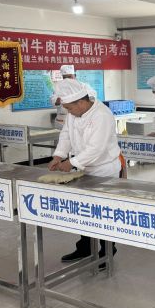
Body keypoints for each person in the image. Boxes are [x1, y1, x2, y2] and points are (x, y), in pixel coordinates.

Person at [48, 79, 121, 265]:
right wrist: (58, 155)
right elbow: (66, 135)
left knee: (103, 213)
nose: (69, 112)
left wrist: (71, 163)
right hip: (84, 169)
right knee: (84, 211)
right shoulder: (74, 113)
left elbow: (96, 149)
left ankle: (107, 251)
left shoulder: (102, 115)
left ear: (81, 102)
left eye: (70, 108)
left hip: (104, 170)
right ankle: (85, 248)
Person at [50, 64, 97, 129]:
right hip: (63, 119)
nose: (67, 80)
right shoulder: (58, 87)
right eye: (65, 77)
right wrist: (57, 102)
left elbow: (93, 97)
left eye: (69, 77)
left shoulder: (83, 86)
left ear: (75, 76)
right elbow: (53, 100)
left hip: (80, 118)